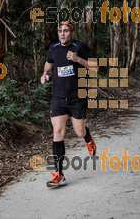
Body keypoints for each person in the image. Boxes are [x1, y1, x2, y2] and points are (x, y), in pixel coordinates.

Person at [41, 20, 97, 188]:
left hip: (77, 97)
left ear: (72, 32)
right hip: (58, 98)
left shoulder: (81, 47)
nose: (62, 33)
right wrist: (44, 74)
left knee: (79, 132)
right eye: (60, 31)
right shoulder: (54, 48)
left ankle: (88, 138)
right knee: (57, 132)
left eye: (65, 30)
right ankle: (59, 174)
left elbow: (95, 68)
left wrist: (78, 59)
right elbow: (48, 64)